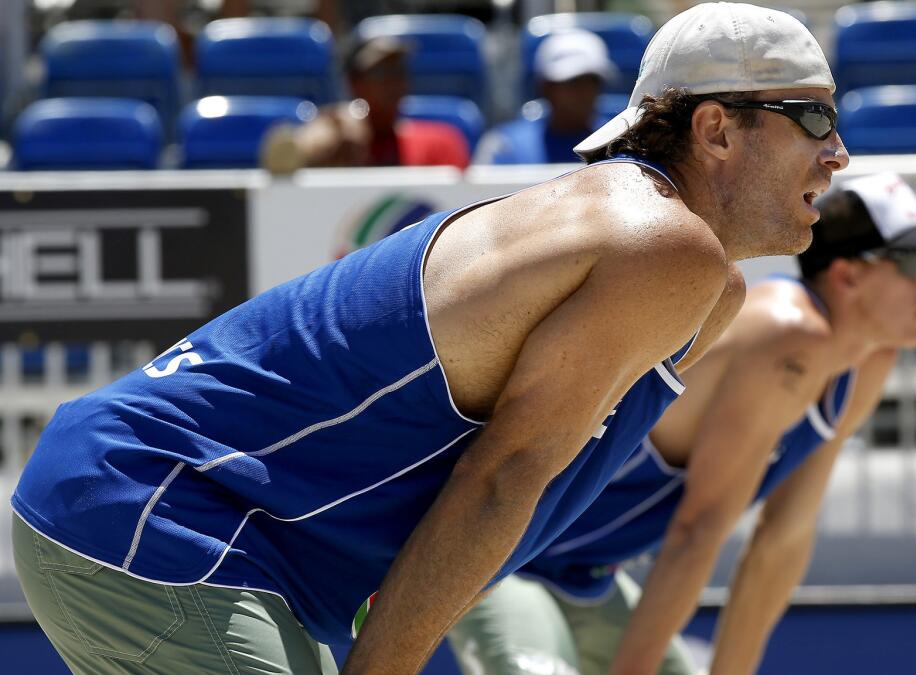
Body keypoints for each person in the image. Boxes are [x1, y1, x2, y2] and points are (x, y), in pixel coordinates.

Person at [10, 3, 846, 674]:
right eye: (812, 117)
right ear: (717, 130)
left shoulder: (696, 277)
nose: (838, 153)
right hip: (152, 505)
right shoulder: (662, 246)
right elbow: (499, 480)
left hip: (173, 516)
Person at [448, 172, 916, 675]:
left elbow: (782, 540)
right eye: (915, 262)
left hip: (588, 576)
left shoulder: (865, 361)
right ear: (848, 274)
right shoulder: (789, 334)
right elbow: (694, 533)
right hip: (499, 552)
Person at [263, 35, 472, 171]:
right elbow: (282, 158)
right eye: (382, 73)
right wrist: (327, 130)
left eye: (399, 72)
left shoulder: (440, 142)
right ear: (355, 83)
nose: (393, 82)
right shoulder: (337, 139)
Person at [474, 30, 618, 165]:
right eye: (572, 83)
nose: (583, 92)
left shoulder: (620, 145)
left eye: (591, 81)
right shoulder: (504, 147)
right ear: (546, 88)